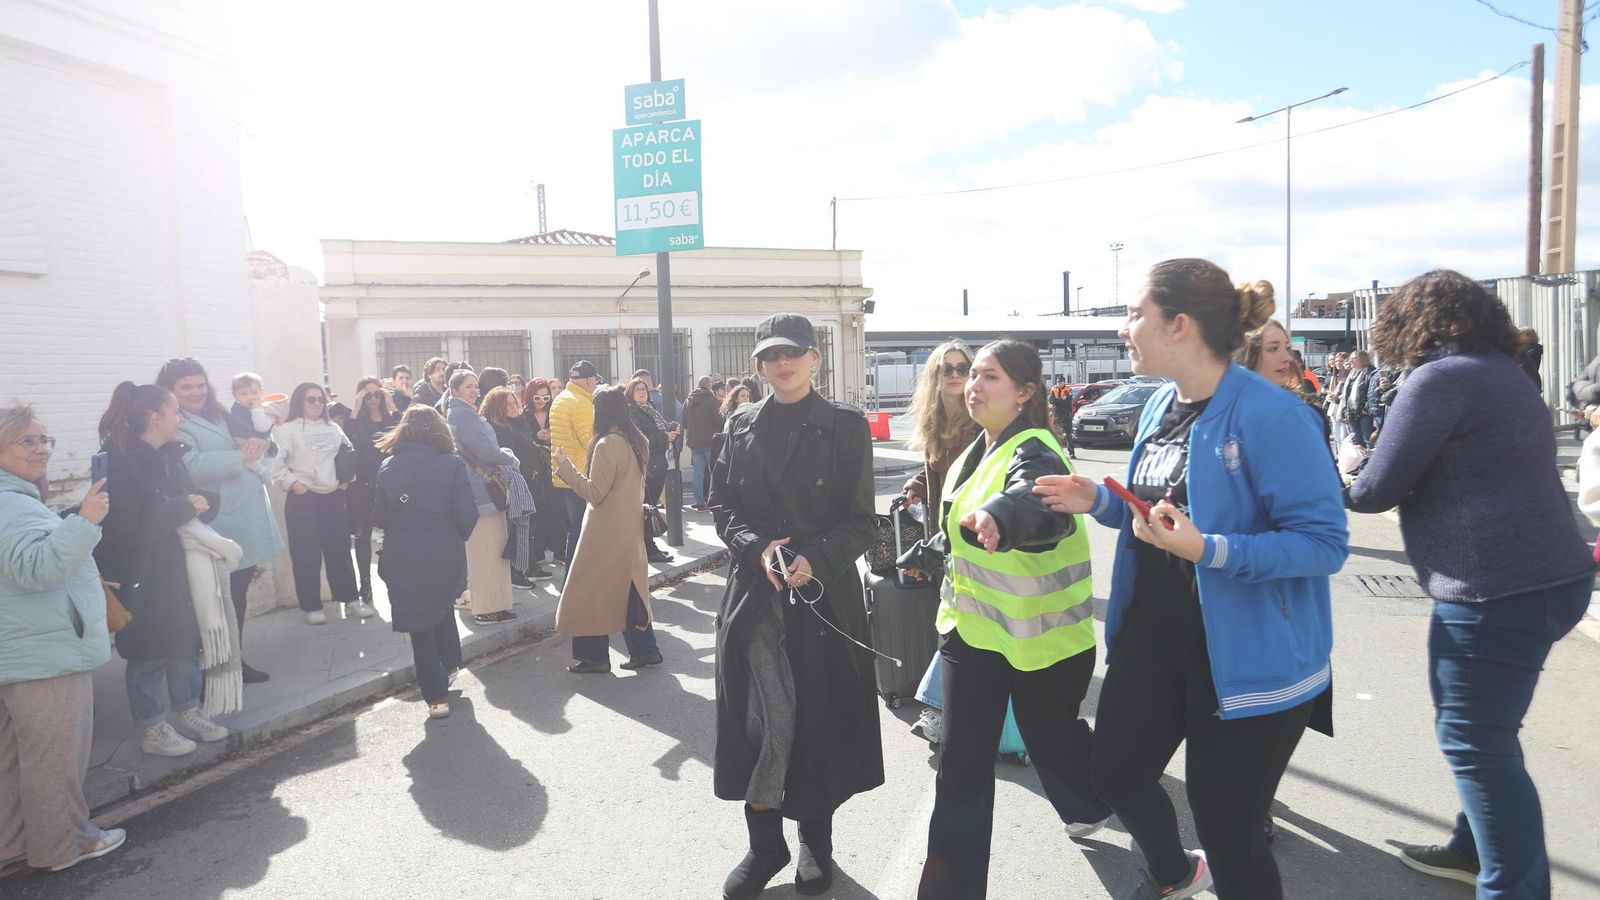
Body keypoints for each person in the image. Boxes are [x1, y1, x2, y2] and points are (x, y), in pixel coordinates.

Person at [1035, 259, 1347, 900]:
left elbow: (1323, 543)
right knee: (1116, 775)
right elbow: (1156, 513)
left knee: (1229, 830)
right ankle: (1175, 874)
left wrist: (1212, 549)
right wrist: (1097, 497)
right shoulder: (1157, 404)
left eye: (1133, 314)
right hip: (1153, 641)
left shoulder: (1273, 415)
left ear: (1178, 326)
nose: (1125, 328)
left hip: (1244, 657)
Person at [1346, 270, 1596, 899]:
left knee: (1476, 743)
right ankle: (1469, 849)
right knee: (1485, 732)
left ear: (1410, 322)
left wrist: (1332, 478)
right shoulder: (1503, 372)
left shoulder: (1438, 380)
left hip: (1494, 589)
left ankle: (1513, 888)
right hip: (1555, 576)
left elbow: (1376, 489)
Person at [911, 340, 1111, 898]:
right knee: (961, 764)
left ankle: (1105, 805)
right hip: (973, 635)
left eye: (989, 376)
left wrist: (1003, 517)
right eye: (971, 374)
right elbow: (962, 523)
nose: (973, 384)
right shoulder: (976, 448)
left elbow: (1038, 502)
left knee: (1055, 742)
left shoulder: (1037, 448)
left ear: (1024, 392)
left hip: (1042, 642)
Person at [710, 313, 881, 899]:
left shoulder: (845, 427)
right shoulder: (737, 425)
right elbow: (722, 509)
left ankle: (815, 839)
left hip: (821, 599)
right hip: (754, 598)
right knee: (759, 717)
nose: (780, 364)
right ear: (758, 365)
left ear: (813, 358)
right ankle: (764, 846)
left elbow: (863, 522)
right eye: (768, 356)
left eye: (792, 352)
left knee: (816, 720)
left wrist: (816, 559)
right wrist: (755, 549)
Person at [0, 403, 126, 872]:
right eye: (26, 441)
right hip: (44, 655)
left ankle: (12, 844)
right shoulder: (12, 504)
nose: (41, 450)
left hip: (22, 652)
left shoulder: (14, 499)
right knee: (53, 761)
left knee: (15, 761)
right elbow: (35, 569)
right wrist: (87, 520)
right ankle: (66, 845)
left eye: (44, 440)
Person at [94, 383, 232, 758]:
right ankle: (152, 726)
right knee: (148, 653)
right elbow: (125, 530)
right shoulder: (119, 465)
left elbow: (185, 502)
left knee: (184, 643)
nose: (181, 418)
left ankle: (189, 711)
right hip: (140, 575)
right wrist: (183, 506)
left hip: (177, 569)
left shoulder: (170, 455)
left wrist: (202, 503)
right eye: (175, 412)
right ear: (155, 417)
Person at [159, 358, 284, 683]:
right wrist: (240, 457)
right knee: (214, 599)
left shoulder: (221, 413)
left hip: (244, 516)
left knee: (236, 595)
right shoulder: (176, 422)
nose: (196, 392)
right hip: (220, 521)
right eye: (186, 387)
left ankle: (233, 661)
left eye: (200, 385)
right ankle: (214, 668)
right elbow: (191, 465)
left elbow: (256, 439)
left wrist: (263, 443)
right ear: (169, 390)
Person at [899, 339, 981, 744]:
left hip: (977, 542)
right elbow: (941, 474)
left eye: (962, 367)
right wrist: (917, 485)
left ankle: (941, 712)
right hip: (945, 542)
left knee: (959, 631)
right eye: (945, 368)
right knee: (955, 627)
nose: (954, 375)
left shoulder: (980, 419)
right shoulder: (936, 421)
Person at [372, 405, 477, 718]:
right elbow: (467, 515)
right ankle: (448, 667)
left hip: (402, 554)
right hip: (444, 552)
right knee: (441, 606)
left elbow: (379, 515)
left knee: (420, 622)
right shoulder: (452, 464)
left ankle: (436, 698)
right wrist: (453, 538)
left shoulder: (388, 465)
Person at [552, 385, 661, 673]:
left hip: (603, 532)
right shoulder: (637, 440)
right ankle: (645, 650)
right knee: (628, 591)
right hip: (629, 528)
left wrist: (565, 467)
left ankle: (594, 657)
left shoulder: (606, 445)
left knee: (589, 593)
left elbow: (595, 492)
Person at [272, 382, 366, 624]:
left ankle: (351, 600)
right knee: (306, 553)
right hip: (304, 498)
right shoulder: (287, 430)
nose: (316, 404)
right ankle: (311, 607)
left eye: (320, 399)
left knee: (340, 551)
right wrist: (295, 484)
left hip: (332, 495)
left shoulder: (333, 427)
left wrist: (345, 480)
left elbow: (348, 451)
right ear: (298, 402)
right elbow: (276, 465)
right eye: (310, 399)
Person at [444, 369, 518, 625]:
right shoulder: (463, 415)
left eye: (475, 385)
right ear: (454, 390)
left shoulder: (461, 413)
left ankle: (495, 604)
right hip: (481, 490)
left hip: (480, 487)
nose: (475, 390)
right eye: (468, 386)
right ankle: (486, 608)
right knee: (486, 552)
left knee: (491, 549)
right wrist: (510, 457)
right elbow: (486, 452)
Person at [482, 385, 553, 583]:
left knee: (531, 525)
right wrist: (526, 472)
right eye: (508, 404)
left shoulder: (520, 422)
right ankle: (517, 571)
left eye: (514, 402)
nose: (513, 407)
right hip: (516, 482)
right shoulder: (496, 428)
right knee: (518, 528)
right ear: (497, 407)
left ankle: (530, 565)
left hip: (533, 480)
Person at [344, 377, 400, 607]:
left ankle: (395, 579)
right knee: (364, 535)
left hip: (390, 482)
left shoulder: (389, 417)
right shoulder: (357, 420)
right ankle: (365, 583)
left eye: (377, 394)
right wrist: (356, 406)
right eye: (368, 395)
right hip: (365, 485)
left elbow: (406, 430)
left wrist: (391, 403)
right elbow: (348, 437)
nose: (374, 399)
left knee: (395, 532)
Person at [549, 361, 599, 567]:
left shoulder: (561, 399)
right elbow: (590, 442)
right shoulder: (582, 403)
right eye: (595, 380)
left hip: (562, 475)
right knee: (580, 533)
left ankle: (572, 581)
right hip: (578, 476)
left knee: (574, 530)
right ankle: (573, 584)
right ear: (589, 380)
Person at [628, 376, 676, 563]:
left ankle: (649, 547)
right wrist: (665, 436)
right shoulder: (633, 412)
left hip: (658, 464)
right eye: (637, 389)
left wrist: (670, 431)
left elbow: (657, 432)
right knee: (646, 510)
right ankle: (648, 548)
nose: (641, 392)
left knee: (650, 508)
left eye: (644, 389)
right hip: (648, 466)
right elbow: (643, 440)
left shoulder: (650, 409)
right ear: (630, 393)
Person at [521, 378, 561, 570]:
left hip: (553, 462)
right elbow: (522, 438)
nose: (541, 400)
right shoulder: (525, 414)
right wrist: (535, 436)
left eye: (545, 396)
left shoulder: (555, 411)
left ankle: (556, 546)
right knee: (539, 508)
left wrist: (553, 434)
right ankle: (538, 549)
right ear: (530, 396)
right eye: (537, 397)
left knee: (555, 507)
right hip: (536, 465)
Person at [224, 372, 282, 471]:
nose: (250, 397)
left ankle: (266, 474)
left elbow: (262, 427)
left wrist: (256, 409)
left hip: (262, 442)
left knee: (268, 462)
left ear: (261, 392)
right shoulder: (237, 409)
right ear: (235, 396)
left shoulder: (265, 408)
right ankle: (262, 472)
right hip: (242, 441)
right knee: (251, 463)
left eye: (254, 393)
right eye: (244, 394)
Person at [683, 375, 720, 511]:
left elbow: (685, 421)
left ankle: (699, 502)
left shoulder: (689, 400)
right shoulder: (711, 399)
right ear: (708, 385)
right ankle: (713, 501)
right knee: (713, 472)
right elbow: (719, 420)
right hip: (710, 441)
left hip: (694, 442)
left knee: (698, 473)